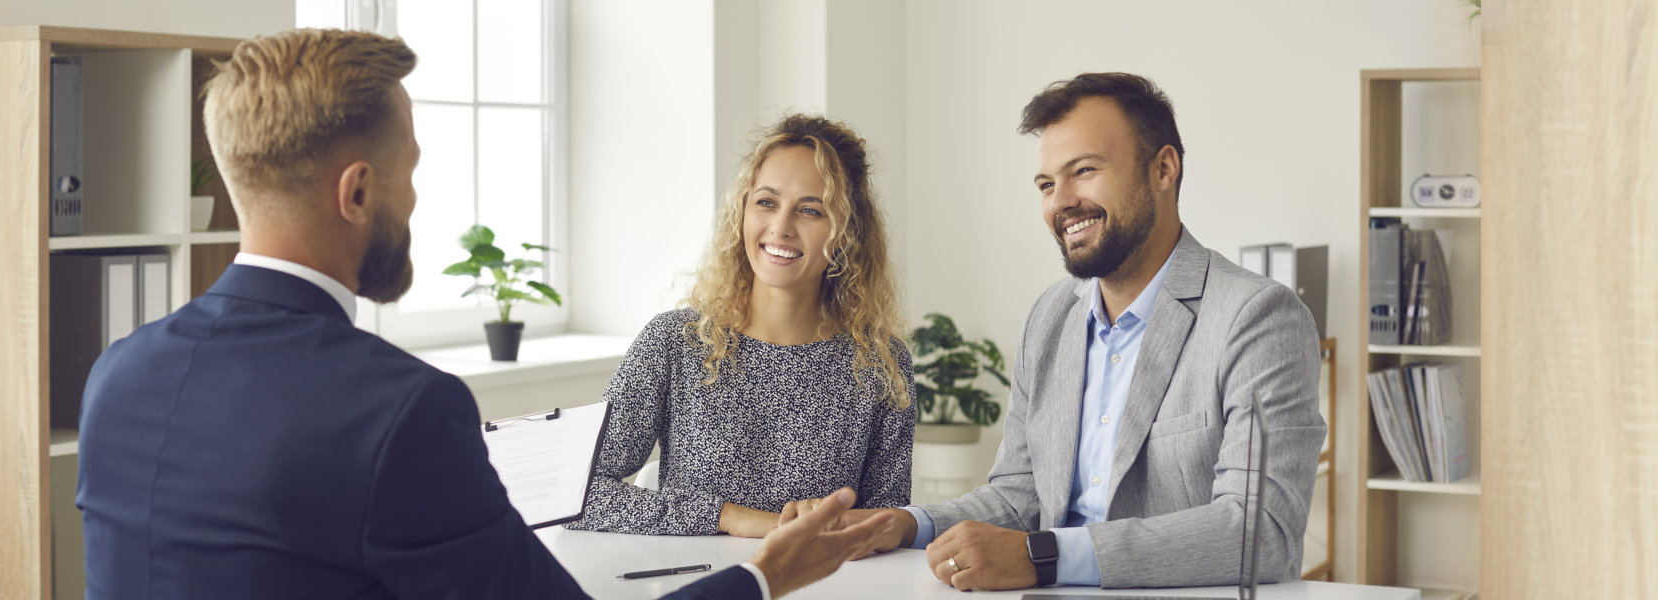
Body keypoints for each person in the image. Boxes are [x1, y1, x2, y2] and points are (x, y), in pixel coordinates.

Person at [75, 29, 892, 600]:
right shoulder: (399, 411)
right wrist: (763, 574)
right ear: (358, 192)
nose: (417, 196)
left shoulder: (118, 376)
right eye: (411, 172)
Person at [781, 72, 1326, 591]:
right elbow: (1018, 497)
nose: (1060, 202)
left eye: (1084, 171)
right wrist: (901, 523)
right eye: (1046, 183)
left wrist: (1043, 557)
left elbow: (1261, 534)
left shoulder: (1255, 316)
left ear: (1164, 170)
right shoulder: (1051, 318)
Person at [566, 114, 916, 539]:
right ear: (742, 212)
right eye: (766, 202)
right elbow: (574, 497)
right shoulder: (675, 344)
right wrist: (730, 517)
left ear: (847, 233)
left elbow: (888, 529)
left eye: (810, 210)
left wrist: (841, 525)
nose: (781, 228)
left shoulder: (881, 362)